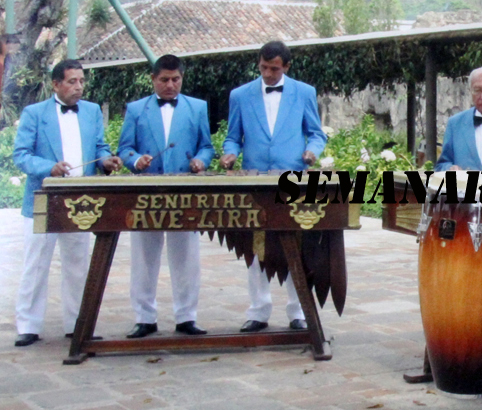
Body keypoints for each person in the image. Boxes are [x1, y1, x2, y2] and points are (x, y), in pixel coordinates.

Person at [12, 59, 121, 346]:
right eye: (72, 81)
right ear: (56, 84)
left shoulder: (92, 111)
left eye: (82, 81)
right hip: (43, 198)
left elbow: (100, 147)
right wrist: (49, 167)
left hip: (80, 198)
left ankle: (77, 323)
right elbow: (21, 155)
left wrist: (107, 161)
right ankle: (28, 325)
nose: (78, 87)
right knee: (36, 263)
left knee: (77, 263)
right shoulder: (34, 113)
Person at [221, 41, 327, 333]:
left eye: (274, 69)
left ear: (286, 67)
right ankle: (258, 310)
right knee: (256, 246)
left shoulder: (304, 92)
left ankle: (299, 310)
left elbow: (316, 134)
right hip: (256, 180)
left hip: (292, 179)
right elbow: (233, 136)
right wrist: (230, 153)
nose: (268, 74)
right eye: (263, 68)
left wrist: (312, 151)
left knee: (297, 244)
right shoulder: (240, 95)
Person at [117, 54, 215, 339]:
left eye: (176, 80)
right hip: (146, 193)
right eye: (164, 80)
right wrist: (136, 161)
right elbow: (125, 149)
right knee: (144, 256)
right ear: (153, 79)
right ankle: (144, 317)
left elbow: (206, 147)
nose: (171, 85)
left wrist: (200, 161)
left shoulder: (197, 108)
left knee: (186, 256)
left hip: (185, 192)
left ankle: (186, 316)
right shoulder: (136, 110)